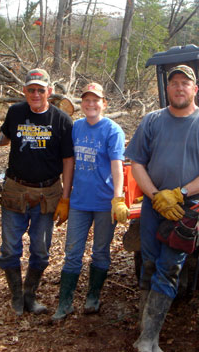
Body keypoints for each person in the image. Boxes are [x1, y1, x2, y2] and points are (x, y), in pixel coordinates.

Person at [124, 65, 199, 352]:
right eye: (174, 83)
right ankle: (143, 329)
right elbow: (136, 164)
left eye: (185, 83)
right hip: (153, 204)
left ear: (195, 89)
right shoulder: (152, 121)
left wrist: (180, 193)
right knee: (148, 263)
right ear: (167, 89)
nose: (179, 87)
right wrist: (157, 195)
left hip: (187, 208)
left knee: (169, 267)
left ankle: (148, 339)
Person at [0, 68, 74, 316]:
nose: (35, 94)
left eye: (40, 90)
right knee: (10, 247)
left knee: (41, 249)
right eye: (31, 90)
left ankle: (30, 295)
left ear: (49, 92)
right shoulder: (15, 112)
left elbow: (68, 160)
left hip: (48, 193)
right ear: (24, 91)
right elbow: (6, 138)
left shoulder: (62, 120)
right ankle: (16, 296)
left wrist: (66, 197)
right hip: (15, 189)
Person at [52, 82, 130, 321]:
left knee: (100, 252)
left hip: (105, 202)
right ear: (81, 104)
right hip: (78, 202)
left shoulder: (112, 130)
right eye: (86, 100)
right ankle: (65, 303)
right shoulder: (76, 128)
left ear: (103, 104)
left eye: (95, 100)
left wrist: (118, 198)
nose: (91, 104)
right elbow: (69, 163)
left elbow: (117, 166)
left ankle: (92, 297)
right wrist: (65, 198)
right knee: (73, 252)